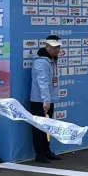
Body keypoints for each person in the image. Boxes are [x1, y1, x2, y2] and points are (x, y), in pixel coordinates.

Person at [30, 35, 62, 163]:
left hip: (48, 99)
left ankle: (47, 150)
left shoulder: (51, 59)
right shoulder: (41, 62)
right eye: (54, 47)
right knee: (39, 127)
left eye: (58, 47)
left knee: (48, 127)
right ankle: (39, 153)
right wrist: (46, 100)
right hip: (40, 100)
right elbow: (42, 82)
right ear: (47, 46)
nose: (57, 49)